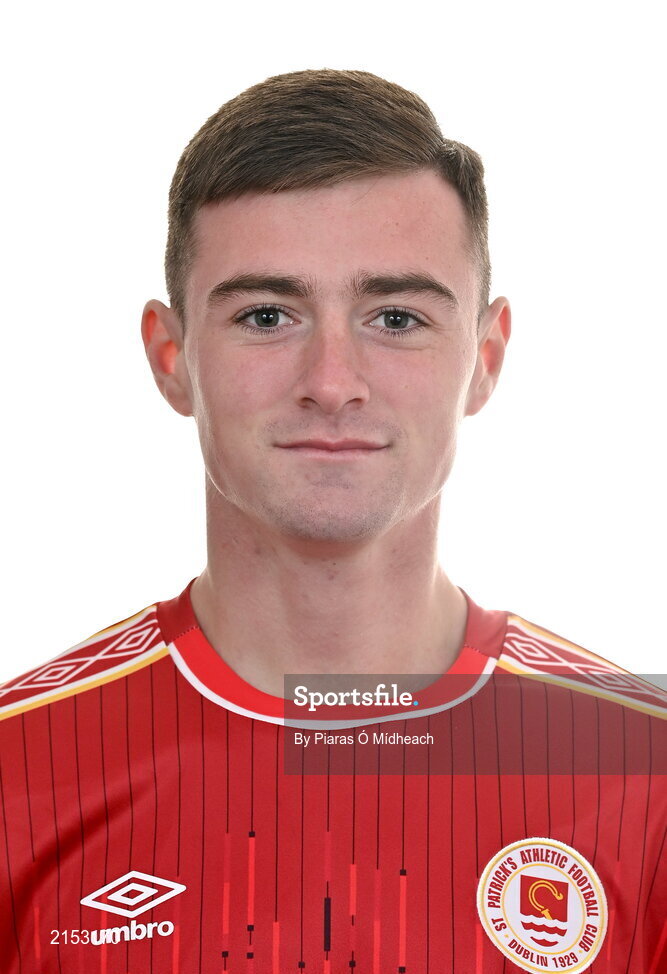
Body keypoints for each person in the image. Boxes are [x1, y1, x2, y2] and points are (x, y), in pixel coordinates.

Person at [0, 69, 664, 974]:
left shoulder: (642, 768)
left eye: (396, 316)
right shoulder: (20, 772)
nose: (332, 380)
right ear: (171, 358)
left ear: (484, 356)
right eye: (266, 315)